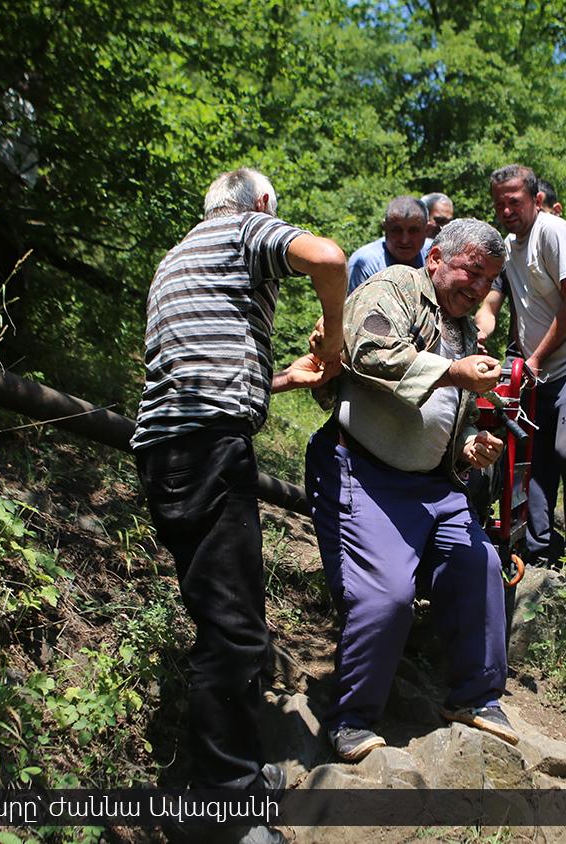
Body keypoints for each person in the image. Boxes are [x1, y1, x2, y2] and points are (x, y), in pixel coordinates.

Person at [131, 168, 345, 842]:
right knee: (233, 635)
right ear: (261, 204)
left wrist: (287, 377)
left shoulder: (179, 255)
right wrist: (333, 343)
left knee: (233, 618)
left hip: (174, 450)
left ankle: (242, 777)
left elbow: (205, 369)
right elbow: (330, 258)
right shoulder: (242, 229)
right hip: (207, 451)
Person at [306, 219, 517, 762]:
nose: (478, 289)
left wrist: (471, 444)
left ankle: (475, 696)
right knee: (386, 595)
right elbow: (370, 351)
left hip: (435, 484)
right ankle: (351, 718)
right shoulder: (393, 287)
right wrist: (454, 371)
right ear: (436, 260)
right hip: (365, 469)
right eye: (472, 273)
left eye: (489, 280)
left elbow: (453, 412)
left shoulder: (466, 329)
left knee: (480, 567)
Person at [475, 164, 566, 597]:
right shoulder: (506, 247)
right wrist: (482, 328)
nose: (506, 210)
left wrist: (534, 357)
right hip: (539, 368)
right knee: (531, 463)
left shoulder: (553, 232)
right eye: (499, 203)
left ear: (535, 200)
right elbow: (493, 301)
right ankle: (536, 556)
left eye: (514, 202)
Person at [346, 196, 432, 293]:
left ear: (427, 230)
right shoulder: (365, 263)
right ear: (385, 227)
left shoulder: (435, 254)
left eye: (413, 231)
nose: (405, 240)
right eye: (396, 230)